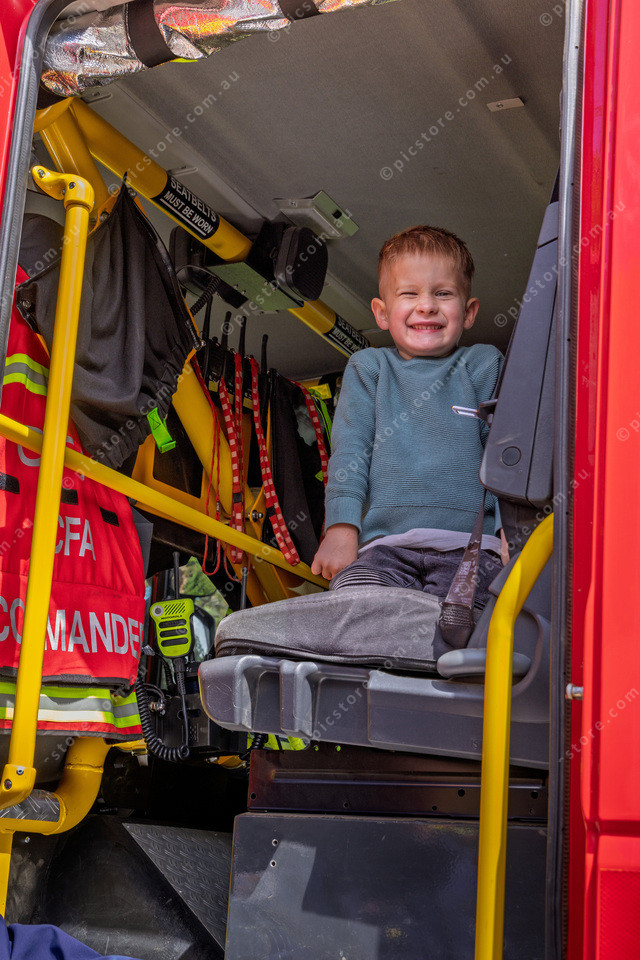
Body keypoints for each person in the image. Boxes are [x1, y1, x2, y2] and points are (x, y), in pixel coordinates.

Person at [311, 225, 505, 611]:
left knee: (469, 619)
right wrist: (341, 528)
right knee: (353, 604)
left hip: (471, 549)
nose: (426, 306)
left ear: (469, 312)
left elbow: (505, 458)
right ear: (382, 313)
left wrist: (509, 534)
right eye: (409, 294)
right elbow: (350, 453)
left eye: (443, 293)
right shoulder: (369, 368)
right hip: (384, 550)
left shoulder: (483, 364)